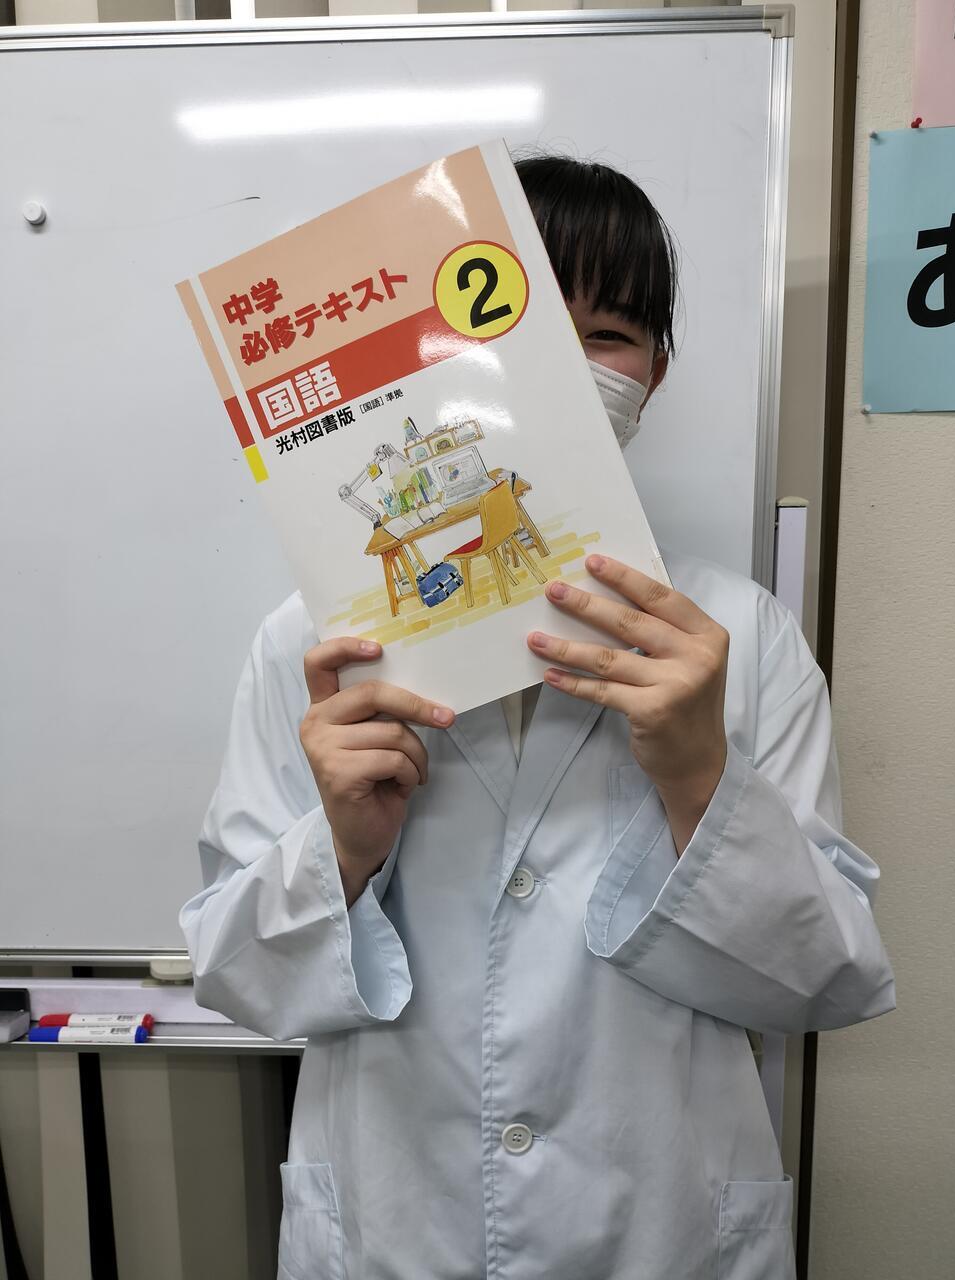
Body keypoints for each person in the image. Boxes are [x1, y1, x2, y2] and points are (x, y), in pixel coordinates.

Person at [180, 156, 895, 1280]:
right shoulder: (314, 645)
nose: (560, 372)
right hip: (395, 1223)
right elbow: (236, 975)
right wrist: (343, 854)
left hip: (660, 1230)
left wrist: (700, 780)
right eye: (516, 330)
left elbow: (826, 982)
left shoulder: (740, 639)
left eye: (607, 335)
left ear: (656, 373)